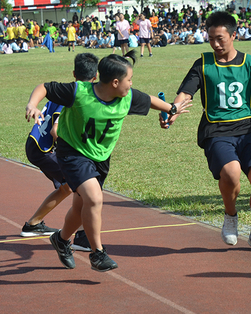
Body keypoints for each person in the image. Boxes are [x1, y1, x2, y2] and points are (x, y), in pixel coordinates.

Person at [25, 50, 191, 271]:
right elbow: (45, 87)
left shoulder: (127, 97)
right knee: (94, 198)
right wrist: (32, 104)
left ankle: (62, 239)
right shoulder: (78, 92)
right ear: (114, 82)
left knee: (81, 207)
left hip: (100, 158)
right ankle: (98, 254)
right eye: (129, 80)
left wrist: (171, 108)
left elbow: (149, 100)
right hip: (72, 153)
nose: (131, 84)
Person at [164, 11, 251, 253]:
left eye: (220, 38)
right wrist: (172, 110)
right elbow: (186, 93)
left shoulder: (250, 62)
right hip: (216, 130)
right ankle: (231, 216)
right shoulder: (203, 64)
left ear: (233, 35)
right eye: (211, 39)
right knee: (231, 176)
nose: (215, 44)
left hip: (247, 128)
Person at [21, 53, 99, 252]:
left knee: (67, 187)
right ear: (96, 77)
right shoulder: (75, 98)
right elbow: (56, 132)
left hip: (36, 143)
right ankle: (81, 237)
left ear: (74, 73)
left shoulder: (66, 91)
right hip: (45, 149)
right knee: (81, 186)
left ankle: (33, 224)